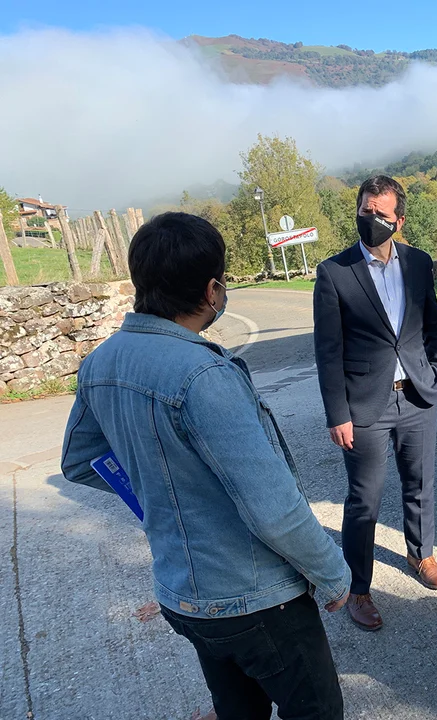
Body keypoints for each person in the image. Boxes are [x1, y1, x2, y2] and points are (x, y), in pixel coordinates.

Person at [61, 212, 350, 720]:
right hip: (256, 598)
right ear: (212, 291)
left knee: (238, 711)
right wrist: (333, 573)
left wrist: (159, 491)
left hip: (182, 595)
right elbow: (273, 508)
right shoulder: (203, 375)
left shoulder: (100, 363)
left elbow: (82, 462)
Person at [313, 175, 437, 631]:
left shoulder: (419, 263)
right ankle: (358, 588)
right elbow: (328, 351)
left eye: (381, 213)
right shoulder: (334, 272)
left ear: (399, 220)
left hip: (416, 395)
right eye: (366, 211)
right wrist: (337, 414)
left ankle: (420, 554)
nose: (372, 219)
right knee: (364, 501)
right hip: (364, 407)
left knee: (421, 483)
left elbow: (434, 325)